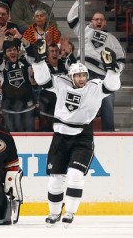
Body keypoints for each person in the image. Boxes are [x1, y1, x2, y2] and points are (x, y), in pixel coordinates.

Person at [31, 44, 121, 226]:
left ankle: (70, 212)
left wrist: (112, 70)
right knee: (56, 178)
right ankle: (54, 213)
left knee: (75, 175)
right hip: (60, 136)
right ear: (71, 76)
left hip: (83, 136)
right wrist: (39, 61)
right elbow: (42, 81)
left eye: (83, 75)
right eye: (78, 75)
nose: (81, 78)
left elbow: (112, 86)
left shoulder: (94, 87)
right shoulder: (61, 83)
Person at [67, 0, 126, 131]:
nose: (98, 21)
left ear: (105, 23)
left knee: (107, 105)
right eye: (96, 19)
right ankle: (80, 133)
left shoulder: (112, 39)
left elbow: (121, 59)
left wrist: (114, 71)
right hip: (84, 75)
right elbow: (71, 19)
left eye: (101, 19)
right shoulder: (84, 30)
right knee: (82, 106)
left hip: (103, 77)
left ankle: (109, 135)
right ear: (91, 22)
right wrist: (78, 2)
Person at [0, 29, 36, 132]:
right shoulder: (3, 66)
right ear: (5, 54)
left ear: (17, 51)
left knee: (29, 137)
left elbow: (31, 51)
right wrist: (2, 37)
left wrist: (20, 37)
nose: (12, 52)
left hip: (28, 107)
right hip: (9, 109)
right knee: (11, 138)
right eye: (9, 50)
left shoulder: (24, 62)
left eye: (14, 50)